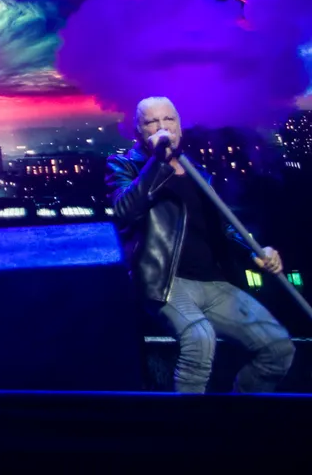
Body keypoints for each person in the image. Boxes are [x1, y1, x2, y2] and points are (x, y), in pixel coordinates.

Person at [106, 96, 295, 393]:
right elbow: (124, 210)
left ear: (179, 126)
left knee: (278, 348)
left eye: (169, 119)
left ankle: (241, 415)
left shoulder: (197, 170)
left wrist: (256, 252)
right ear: (138, 132)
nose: (162, 127)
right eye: (152, 122)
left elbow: (225, 225)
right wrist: (158, 161)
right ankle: (190, 421)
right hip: (166, 283)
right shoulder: (125, 165)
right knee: (199, 338)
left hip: (213, 282)